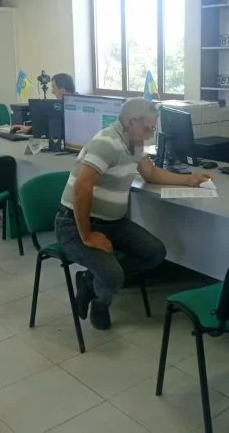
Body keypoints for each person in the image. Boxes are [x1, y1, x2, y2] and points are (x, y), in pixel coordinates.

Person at [55, 98, 211, 329]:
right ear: (130, 122)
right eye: (147, 128)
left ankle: (91, 281)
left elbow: (151, 174)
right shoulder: (107, 142)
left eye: (153, 129)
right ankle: (101, 301)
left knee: (155, 253)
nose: (150, 135)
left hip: (113, 224)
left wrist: (189, 179)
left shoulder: (133, 142)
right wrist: (87, 236)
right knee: (113, 275)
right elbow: (81, 188)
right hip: (75, 225)